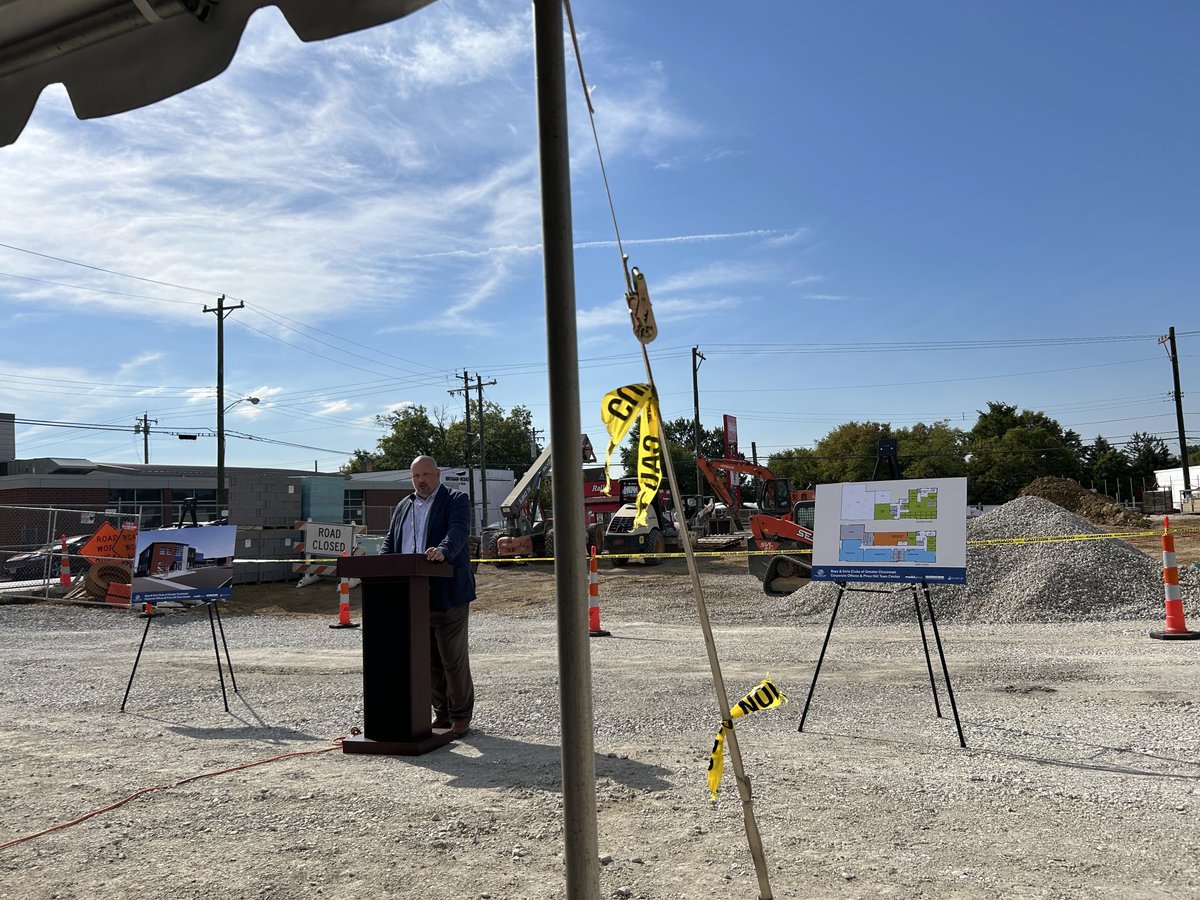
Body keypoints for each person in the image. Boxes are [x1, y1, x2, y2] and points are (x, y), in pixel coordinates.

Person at [380, 455, 476, 737]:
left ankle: (460, 715)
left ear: (438, 473)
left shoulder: (456, 499)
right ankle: (442, 713)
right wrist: (381, 564)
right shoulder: (403, 505)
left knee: (452, 658)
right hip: (412, 595)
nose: (421, 481)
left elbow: (458, 532)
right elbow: (391, 540)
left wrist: (443, 551)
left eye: (425, 475)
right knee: (428, 659)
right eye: (415, 476)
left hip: (448, 593)